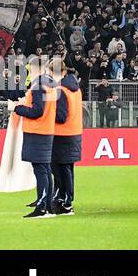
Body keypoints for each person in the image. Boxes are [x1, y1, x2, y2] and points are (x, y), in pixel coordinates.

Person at [7, 56, 58, 218]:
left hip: (38, 131)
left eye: (29, 69)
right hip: (45, 130)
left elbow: (37, 111)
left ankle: (42, 208)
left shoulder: (39, 85)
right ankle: (48, 206)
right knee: (45, 169)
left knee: (41, 170)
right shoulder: (50, 84)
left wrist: (17, 108)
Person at [51, 62, 83, 215]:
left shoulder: (60, 90)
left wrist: (46, 113)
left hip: (61, 134)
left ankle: (63, 202)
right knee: (67, 170)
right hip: (74, 132)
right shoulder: (75, 88)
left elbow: (61, 116)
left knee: (59, 171)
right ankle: (67, 201)